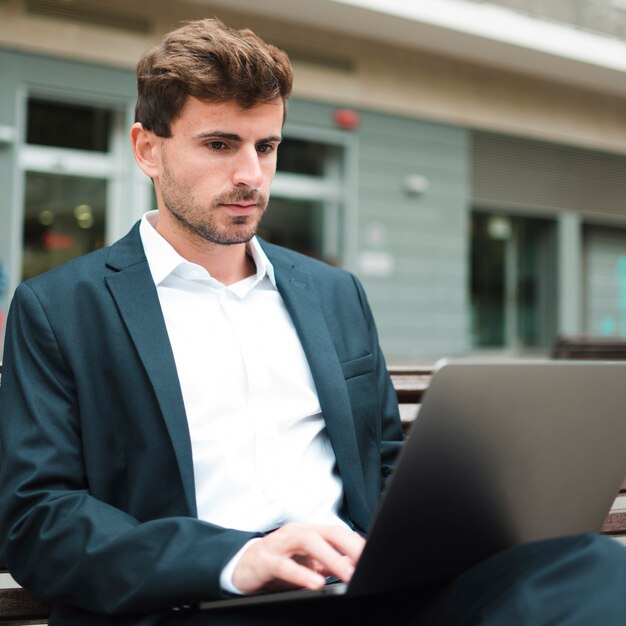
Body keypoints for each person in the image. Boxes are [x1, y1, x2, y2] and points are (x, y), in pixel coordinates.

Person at [0, 17, 624, 626]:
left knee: (590, 564)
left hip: (359, 590)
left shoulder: (332, 293)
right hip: (193, 600)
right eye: (219, 144)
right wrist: (235, 558)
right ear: (147, 149)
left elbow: (383, 461)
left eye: (265, 146)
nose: (250, 174)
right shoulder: (60, 309)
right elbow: (38, 519)